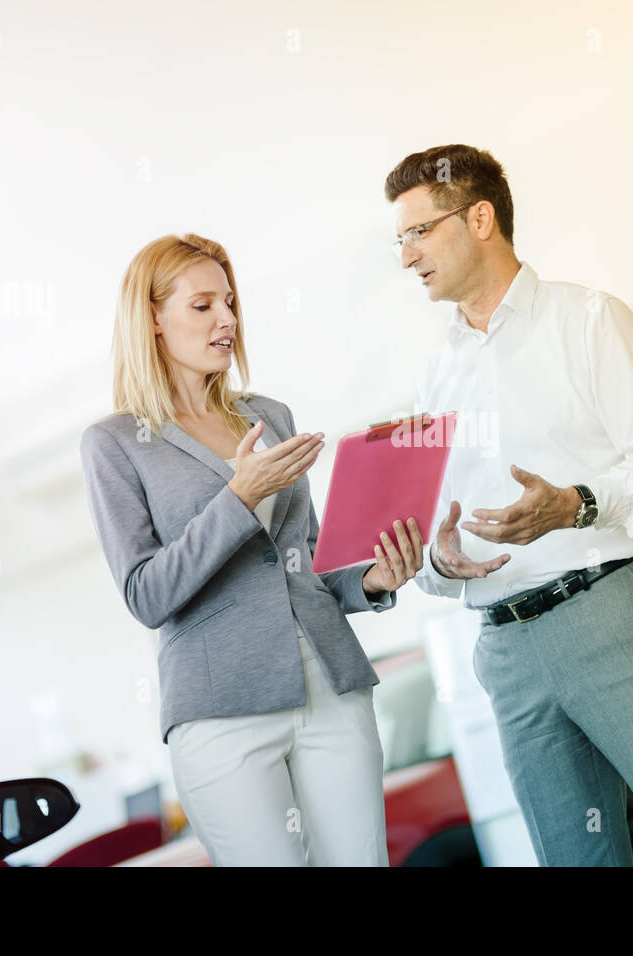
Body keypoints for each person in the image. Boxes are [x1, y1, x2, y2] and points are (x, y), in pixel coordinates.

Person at [385, 144, 633, 866]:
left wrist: (578, 504)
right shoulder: (436, 380)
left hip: (611, 616)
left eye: (418, 232)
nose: (406, 257)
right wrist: (438, 559)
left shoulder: (587, 320)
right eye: (398, 239)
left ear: (480, 218)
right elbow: (435, 563)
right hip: (503, 646)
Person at [79, 233, 424, 866]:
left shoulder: (269, 414)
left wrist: (372, 580)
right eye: (204, 305)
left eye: (231, 303)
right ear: (153, 318)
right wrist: (237, 498)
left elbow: (310, 564)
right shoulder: (115, 442)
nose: (228, 321)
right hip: (220, 712)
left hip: (332, 687)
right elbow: (146, 595)